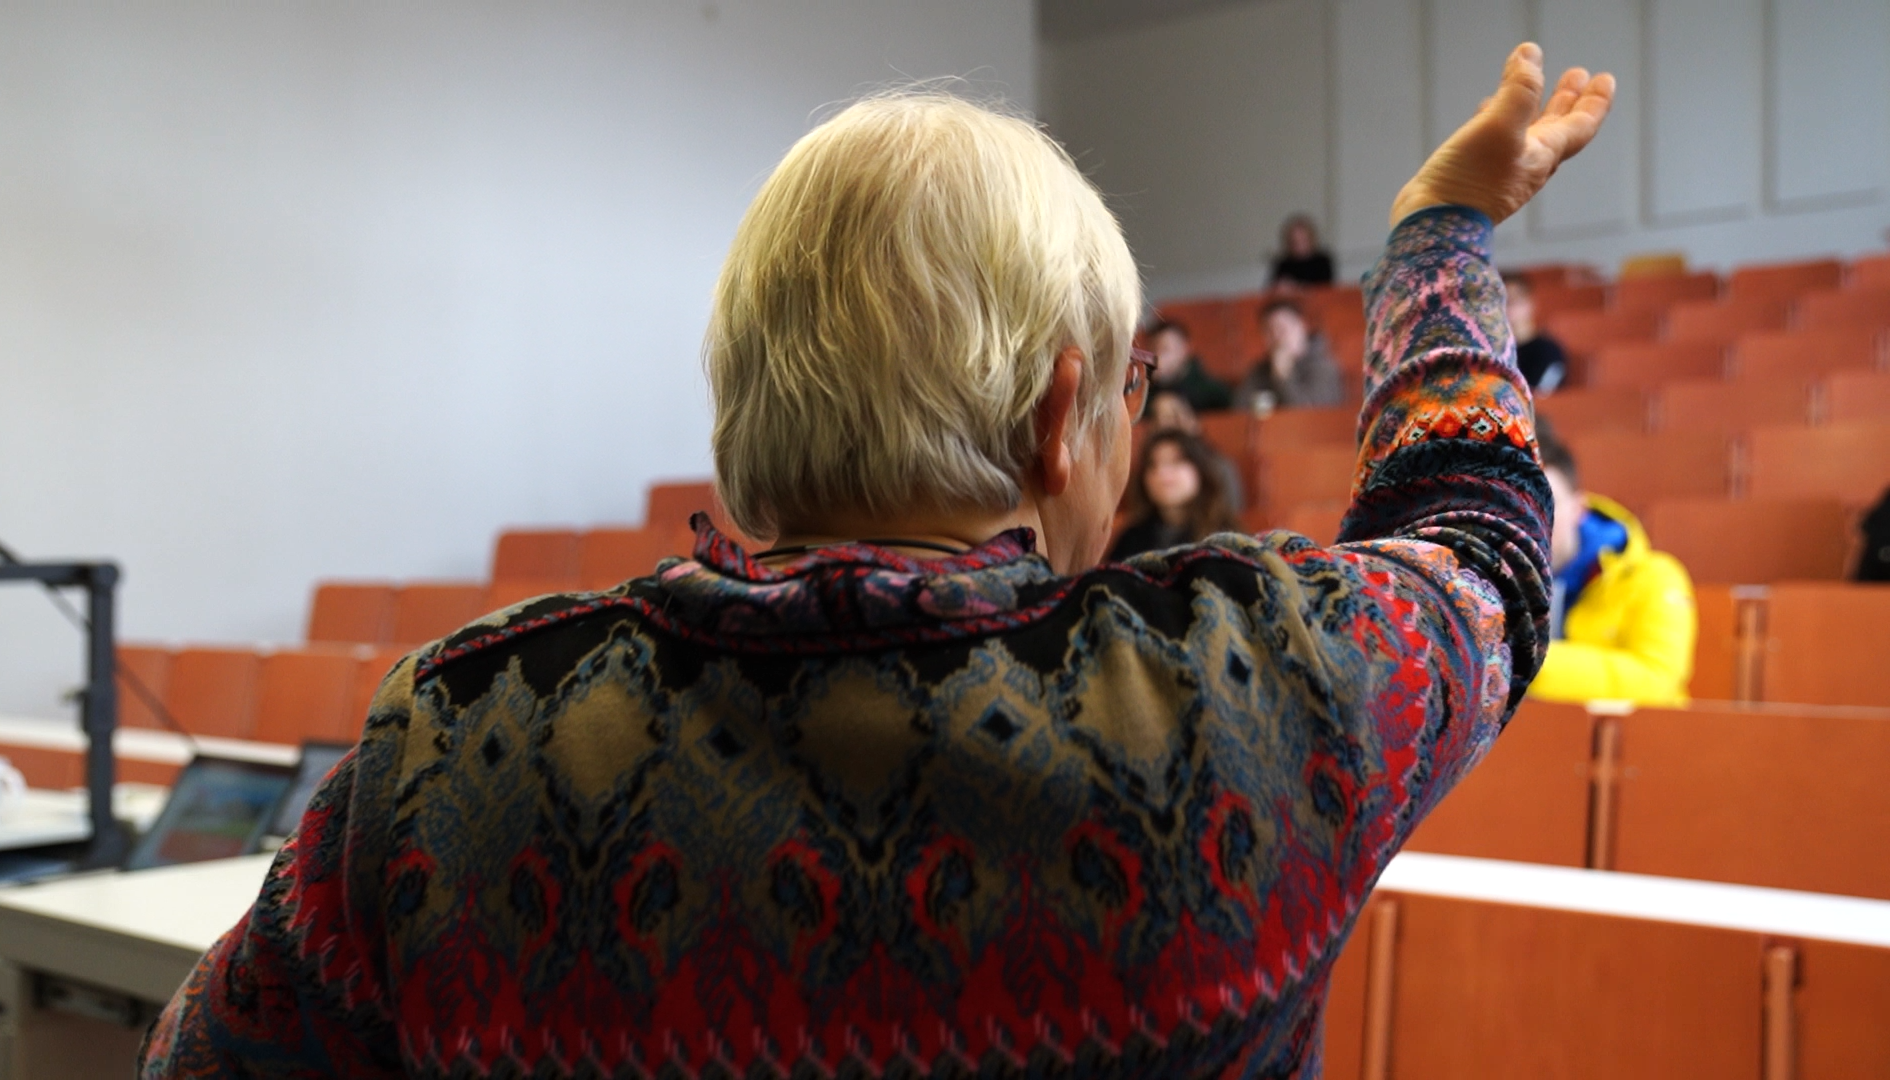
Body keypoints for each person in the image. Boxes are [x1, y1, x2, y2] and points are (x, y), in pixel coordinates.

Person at [143, 43, 1611, 1079]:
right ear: (1059, 415)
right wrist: (1442, 233)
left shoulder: (452, 742)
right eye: (1125, 399)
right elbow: (1482, 536)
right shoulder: (1264, 695)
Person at [1528, 417, 1697, 706]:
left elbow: (1657, 677)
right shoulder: (1480, 580)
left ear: (1579, 509)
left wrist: (1513, 666)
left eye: (1545, 503)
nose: (1530, 521)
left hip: (1638, 745)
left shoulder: (1655, 577)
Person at [1110, 429, 1238, 559]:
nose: (1161, 472)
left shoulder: (1226, 537)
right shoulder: (1131, 538)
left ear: (1200, 470)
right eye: (1152, 465)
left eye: (1176, 461)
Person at [1234, 297, 1347, 411]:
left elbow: (1310, 415)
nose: (1277, 337)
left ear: (1301, 326)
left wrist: (1283, 377)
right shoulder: (1258, 371)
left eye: (1283, 328)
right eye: (1269, 331)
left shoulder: (1324, 367)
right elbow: (1238, 411)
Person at [1143, 392, 1245, 513]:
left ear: (1194, 423)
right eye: (1158, 420)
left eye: (1175, 417)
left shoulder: (1219, 468)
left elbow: (1233, 515)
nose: (1167, 426)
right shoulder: (1144, 473)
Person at [1144, 317, 1233, 411]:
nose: (1159, 356)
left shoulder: (1213, 391)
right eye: (1154, 350)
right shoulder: (1146, 393)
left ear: (1186, 349)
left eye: (1165, 349)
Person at [1504, 270, 1568, 394]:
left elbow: (1542, 394)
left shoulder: (1549, 351)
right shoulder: (1491, 352)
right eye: (1503, 301)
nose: (1509, 306)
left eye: (1515, 299)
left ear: (1530, 304)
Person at [1268, 213, 1335, 288]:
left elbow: (1325, 288)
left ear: (1311, 239)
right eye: (1295, 241)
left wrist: (1297, 287)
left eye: (1303, 240)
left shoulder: (1322, 261)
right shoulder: (1283, 264)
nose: (1299, 245)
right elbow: (1271, 289)